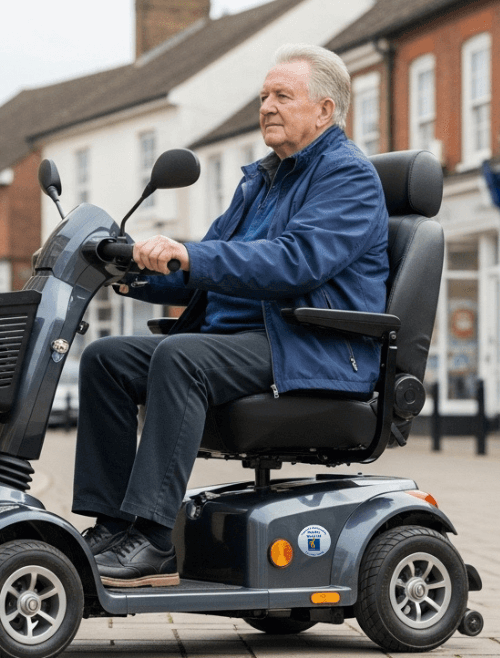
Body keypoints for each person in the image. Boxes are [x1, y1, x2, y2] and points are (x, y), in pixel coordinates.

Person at [73, 43, 390, 588]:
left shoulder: (348, 178)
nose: (265, 106)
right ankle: (113, 523)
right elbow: (201, 264)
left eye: (281, 95)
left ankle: (152, 541)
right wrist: (125, 269)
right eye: (263, 96)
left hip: (312, 347)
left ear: (325, 111)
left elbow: (295, 262)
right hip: (252, 342)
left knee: (181, 357)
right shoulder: (262, 180)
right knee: (107, 358)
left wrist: (190, 252)